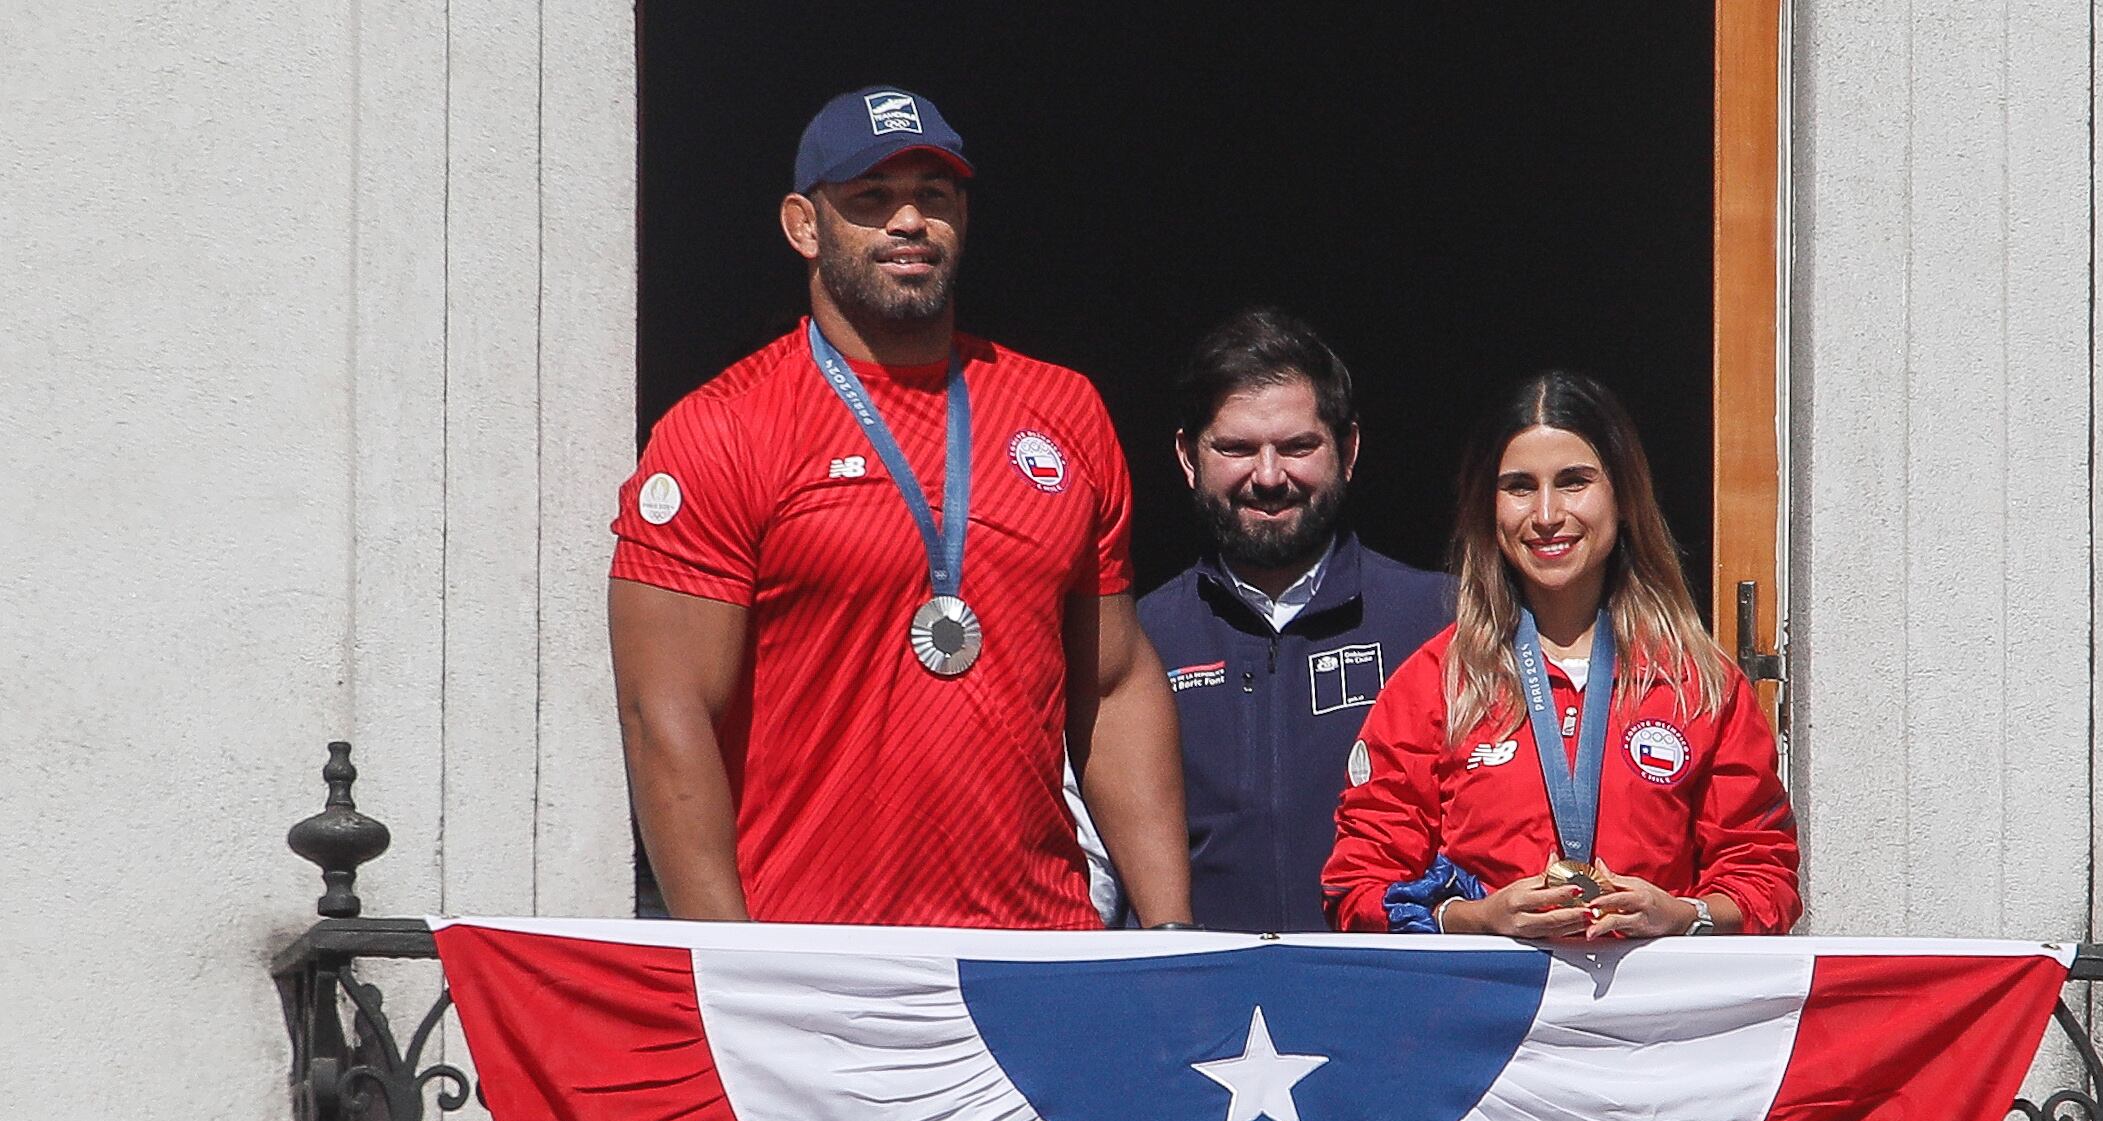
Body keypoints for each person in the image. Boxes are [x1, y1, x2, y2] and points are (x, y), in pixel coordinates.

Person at [608, 87, 1191, 928]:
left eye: (934, 195)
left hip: (1033, 943)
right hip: (814, 952)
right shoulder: (724, 427)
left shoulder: (1062, 409)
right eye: (871, 198)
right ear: (804, 226)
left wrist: (1169, 932)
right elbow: (665, 719)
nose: (909, 221)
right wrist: (733, 963)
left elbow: (1114, 679)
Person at [1323, 370, 1800, 937]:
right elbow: (1359, 887)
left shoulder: (1698, 684)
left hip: (1650, 995)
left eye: (1574, 482)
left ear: (1623, 497)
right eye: (1519, 487)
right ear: (1488, 507)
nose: (1547, 514)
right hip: (1492, 994)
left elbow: (1764, 880)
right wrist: (1478, 919)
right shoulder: (1436, 685)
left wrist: (1679, 914)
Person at [1137, 308, 1454, 932]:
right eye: (1236, 448)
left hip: (1394, 982)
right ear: (1187, 457)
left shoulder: (1443, 621)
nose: (1268, 476)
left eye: (1297, 446)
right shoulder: (1137, 642)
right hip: (1199, 986)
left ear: (1348, 450)